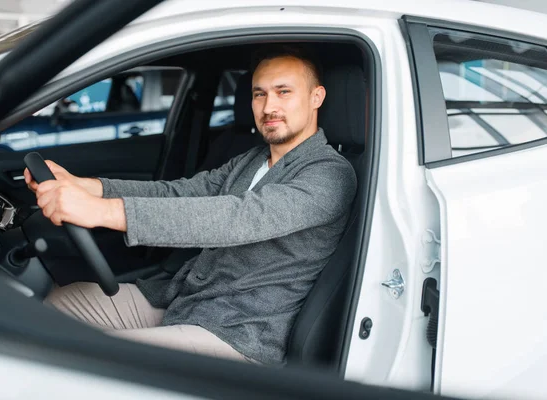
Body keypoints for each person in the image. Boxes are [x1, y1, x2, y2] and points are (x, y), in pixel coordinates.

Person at [25, 45, 357, 366]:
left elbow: (236, 218)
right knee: (58, 305)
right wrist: (90, 187)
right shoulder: (251, 159)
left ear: (316, 98)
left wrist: (103, 213)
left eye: (283, 92)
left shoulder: (330, 174)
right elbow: (183, 193)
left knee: (92, 358)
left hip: (238, 333)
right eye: (259, 93)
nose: (269, 106)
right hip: (186, 299)